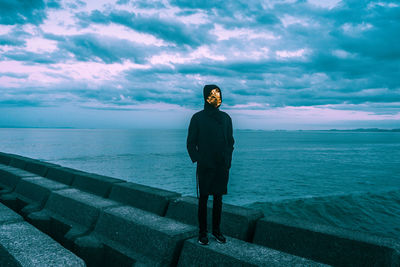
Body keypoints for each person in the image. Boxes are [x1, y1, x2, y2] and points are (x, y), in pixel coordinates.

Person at [186, 84, 235, 245]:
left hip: (222, 166)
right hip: (206, 166)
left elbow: (230, 142)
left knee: (219, 199)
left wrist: (227, 160)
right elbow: (190, 143)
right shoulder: (197, 118)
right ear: (206, 97)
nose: (217, 98)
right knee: (203, 199)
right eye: (213, 95)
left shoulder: (226, 118)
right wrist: (199, 159)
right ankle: (202, 233)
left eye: (219, 95)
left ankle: (216, 230)